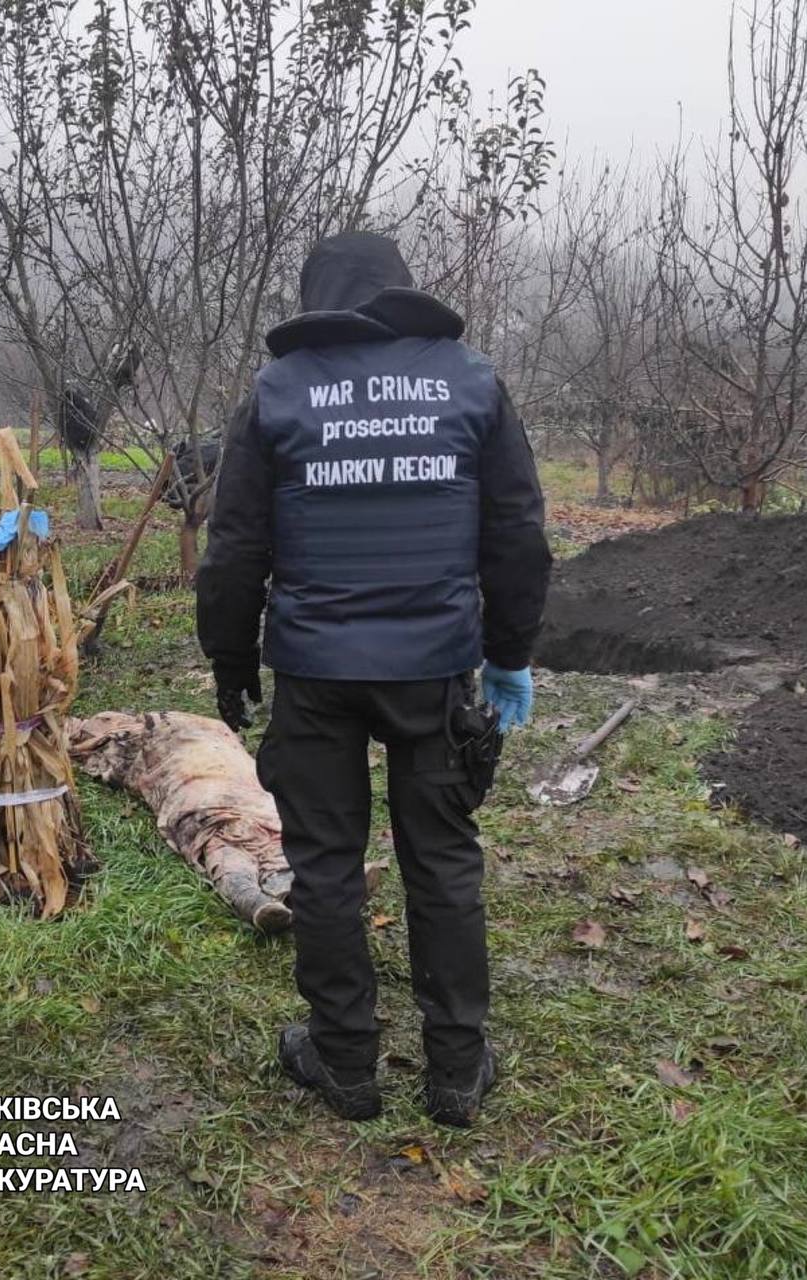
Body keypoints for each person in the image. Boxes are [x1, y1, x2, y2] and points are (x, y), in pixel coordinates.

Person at [196, 232, 551, 1126]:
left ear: (318, 296)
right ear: (402, 288)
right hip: (434, 671)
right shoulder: (469, 379)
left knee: (324, 867)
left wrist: (231, 659)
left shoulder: (279, 391)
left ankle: (347, 1065)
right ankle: (457, 1072)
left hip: (316, 671)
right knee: (441, 860)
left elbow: (235, 547)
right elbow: (514, 532)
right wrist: (508, 653)